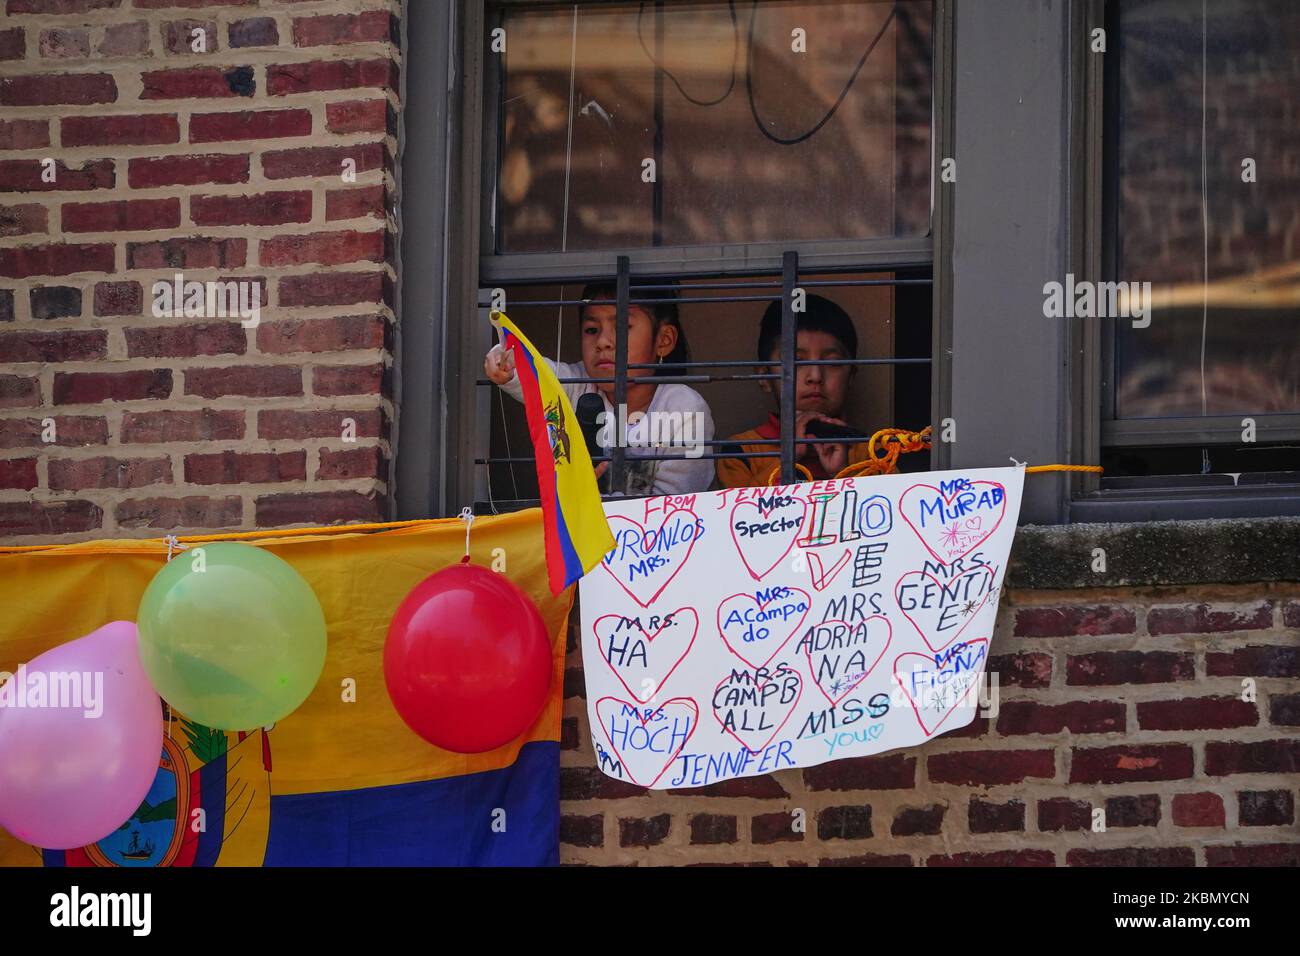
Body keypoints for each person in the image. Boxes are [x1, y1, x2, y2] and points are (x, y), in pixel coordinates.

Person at [485, 281, 715, 497]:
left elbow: (674, 508)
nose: (604, 341)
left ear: (663, 340)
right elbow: (538, 373)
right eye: (592, 330)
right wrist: (508, 363)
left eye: (622, 327)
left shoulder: (684, 408)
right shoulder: (578, 385)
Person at [716, 294, 876, 488]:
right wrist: (787, 460)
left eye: (832, 362)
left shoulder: (874, 452)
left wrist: (842, 475)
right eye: (797, 361)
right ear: (764, 377)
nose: (815, 376)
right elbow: (736, 513)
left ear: (851, 376)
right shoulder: (742, 452)